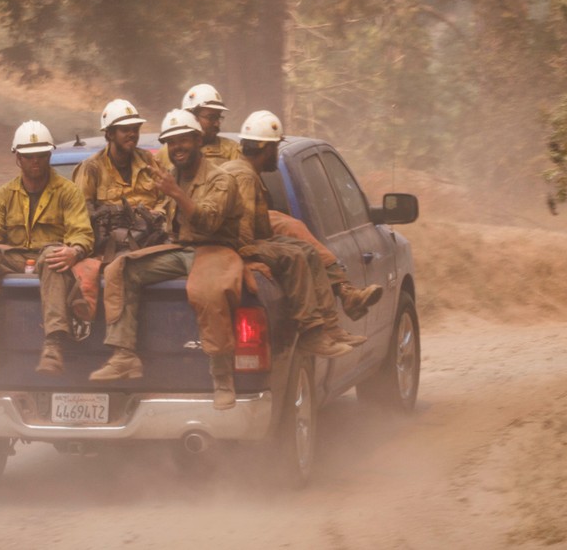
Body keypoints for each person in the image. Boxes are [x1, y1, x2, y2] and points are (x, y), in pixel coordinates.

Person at [89, 109, 244, 410]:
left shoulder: (220, 179)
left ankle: (222, 378)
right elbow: (164, 214)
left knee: (208, 292)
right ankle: (124, 356)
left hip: (215, 248)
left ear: (198, 140)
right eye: (171, 143)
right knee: (123, 268)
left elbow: (209, 223)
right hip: (181, 248)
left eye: (183, 140)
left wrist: (176, 194)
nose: (177, 148)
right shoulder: (171, 176)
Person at [0, 120, 94, 377]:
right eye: (29, 156)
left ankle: (53, 347)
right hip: (17, 258)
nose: (36, 162)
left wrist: (74, 251)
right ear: (17, 157)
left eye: (41, 155)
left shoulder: (68, 192)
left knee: (54, 257)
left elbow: (81, 232)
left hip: (51, 257)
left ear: (49, 155)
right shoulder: (5, 194)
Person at [222, 110, 365, 355]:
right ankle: (311, 333)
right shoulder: (245, 175)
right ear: (266, 149)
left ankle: (331, 328)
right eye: (274, 148)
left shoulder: (239, 168)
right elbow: (243, 224)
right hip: (234, 243)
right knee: (295, 256)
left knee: (308, 250)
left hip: (243, 239)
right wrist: (246, 259)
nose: (275, 155)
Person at [72, 99, 169, 262]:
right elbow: (80, 214)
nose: (132, 134)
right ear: (110, 134)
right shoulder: (92, 168)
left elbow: (166, 196)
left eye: (135, 129)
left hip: (153, 241)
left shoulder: (148, 160)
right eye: (125, 130)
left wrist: (157, 213)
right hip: (113, 249)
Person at [155, 83, 241, 169]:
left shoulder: (232, 150)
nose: (217, 123)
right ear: (191, 117)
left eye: (218, 117)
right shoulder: (166, 153)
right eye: (211, 117)